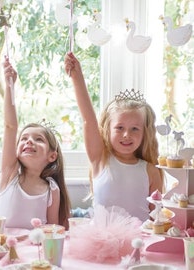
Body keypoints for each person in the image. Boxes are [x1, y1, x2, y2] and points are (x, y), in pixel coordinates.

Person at [64, 52, 163, 221]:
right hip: (101, 239)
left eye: (135, 129)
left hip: (138, 241)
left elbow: (156, 218)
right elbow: (89, 120)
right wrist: (77, 77)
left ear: (144, 133)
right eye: (119, 128)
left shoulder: (151, 171)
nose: (127, 135)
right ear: (107, 130)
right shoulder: (100, 159)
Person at [0, 57, 71, 230]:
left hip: (33, 253)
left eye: (38, 139)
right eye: (24, 138)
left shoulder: (52, 189)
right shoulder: (10, 174)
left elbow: (52, 231)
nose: (29, 141)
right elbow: (10, 126)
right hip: (4, 250)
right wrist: (9, 86)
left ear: (52, 156)